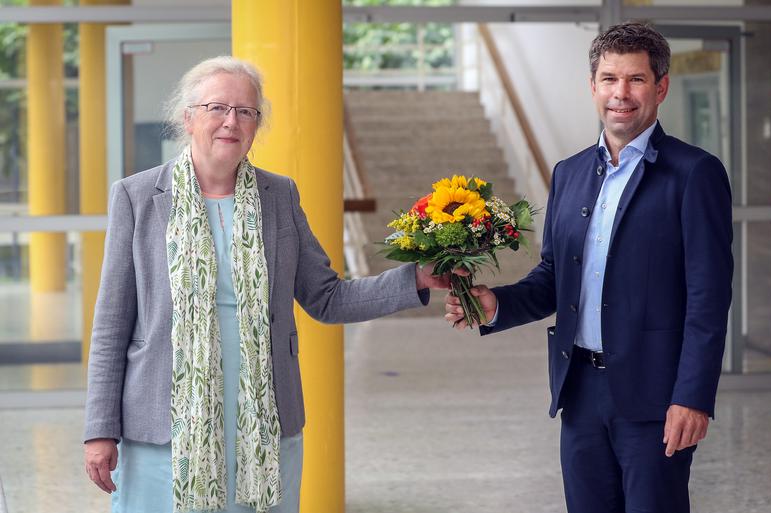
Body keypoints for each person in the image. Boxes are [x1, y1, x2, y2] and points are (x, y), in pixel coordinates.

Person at [83, 56, 449, 513]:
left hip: (262, 425)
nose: (231, 122)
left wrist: (414, 278)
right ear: (188, 117)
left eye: (246, 111)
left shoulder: (280, 197)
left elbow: (327, 297)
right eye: (217, 108)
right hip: (165, 427)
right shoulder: (137, 197)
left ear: (257, 124)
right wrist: (100, 429)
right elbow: (112, 325)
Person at [444, 22, 733, 513]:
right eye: (609, 79)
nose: (621, 93)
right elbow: (554, 277)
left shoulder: (694, 174)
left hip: (655, 396)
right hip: (580, 392)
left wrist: (693, 397)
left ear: (660, 87)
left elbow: (708, 298)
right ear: (593, 86)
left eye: (636, 79)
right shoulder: (570, 172)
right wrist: (496, 304)